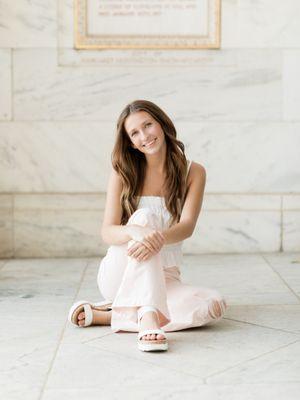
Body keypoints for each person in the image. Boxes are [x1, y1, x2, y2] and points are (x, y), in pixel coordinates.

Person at [68, 99, 227, 352]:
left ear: (161, 124)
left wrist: (157, 238)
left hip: (166, 277)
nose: (144, 136)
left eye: (148, 125)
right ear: (130, 142)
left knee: (211, 305)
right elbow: (107, 231)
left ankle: (112, 314)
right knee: (144, 219)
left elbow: (187, 226)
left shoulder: (194, 172)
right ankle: (149, 316)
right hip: (121, 272)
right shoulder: (122, 173)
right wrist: (136, 230)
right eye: (135, 133)